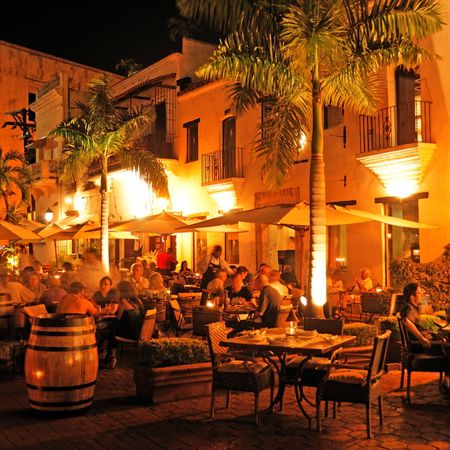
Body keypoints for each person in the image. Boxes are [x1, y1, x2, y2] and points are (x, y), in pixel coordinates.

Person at [106, 281, 145, 368]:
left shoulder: (123, 301)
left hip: (130, 333)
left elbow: (118, 318)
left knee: (112, 329)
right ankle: (107, 353)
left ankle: (112, 356)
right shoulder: (138, 300)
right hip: (139, 331)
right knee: (112, 328)